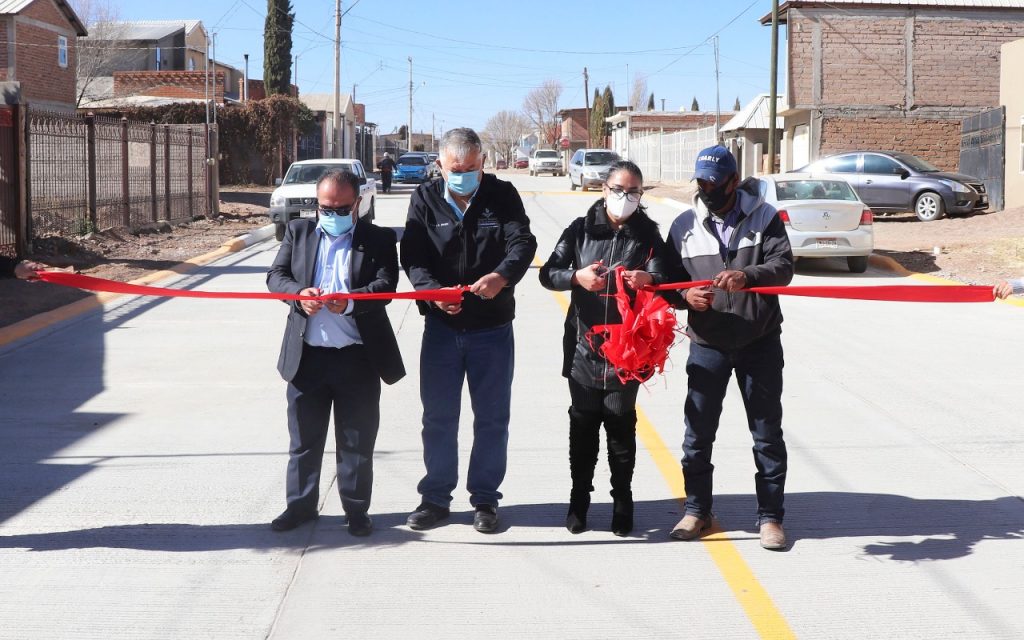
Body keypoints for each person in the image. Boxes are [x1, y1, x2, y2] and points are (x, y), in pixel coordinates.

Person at [400, 127, 537, 533]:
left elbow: (523, 243)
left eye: (472, 168)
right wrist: (431, 292)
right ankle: (436, 497)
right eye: (456, 169)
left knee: (492, 419)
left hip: (491, 330)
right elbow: (412, 254)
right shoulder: (424, 198)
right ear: (441, 165)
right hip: (442, 330)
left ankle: (485, 500)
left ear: (482, 163)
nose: (464, 175)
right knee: (438, 417)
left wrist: (502, 277)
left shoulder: (501, 195)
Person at [664, 145, 794, 550]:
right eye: (700, 182)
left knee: (766, 434)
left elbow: (784, 267)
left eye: (713, 183)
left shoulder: (765, 218)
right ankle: (697, 511)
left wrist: (747, 275)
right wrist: (686, 297)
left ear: (733, 182)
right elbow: (665, 282)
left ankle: (770, 519)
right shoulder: (684, 225)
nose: (705, 189)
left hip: (759, 342)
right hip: (708, 344)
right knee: (697, 434)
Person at [266, 170, 405, 537]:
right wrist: (298, 294)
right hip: (307, 358)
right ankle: (299, 507)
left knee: (357, 442)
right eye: (325, 207)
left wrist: (349, 303)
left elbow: (386, 285)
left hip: (357, 358)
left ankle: (356, 510)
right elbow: (275, 276)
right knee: (303, 441)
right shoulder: (298, 233)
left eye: (341, 208)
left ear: (357, 204)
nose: (332, 214)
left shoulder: (378, 239)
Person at [539, 160, 670, 536]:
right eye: (618, 190)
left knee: (620, 427)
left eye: (633, 192)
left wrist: (649, 279)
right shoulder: (579, 230)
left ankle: (622, 501)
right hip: (584, 346)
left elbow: (667, 277)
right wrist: (575, 278)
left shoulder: (647, 236)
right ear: (604, 189)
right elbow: (549, 274)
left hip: (628, 351)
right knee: (582, 426)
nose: (624, 198)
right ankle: (579, 500)